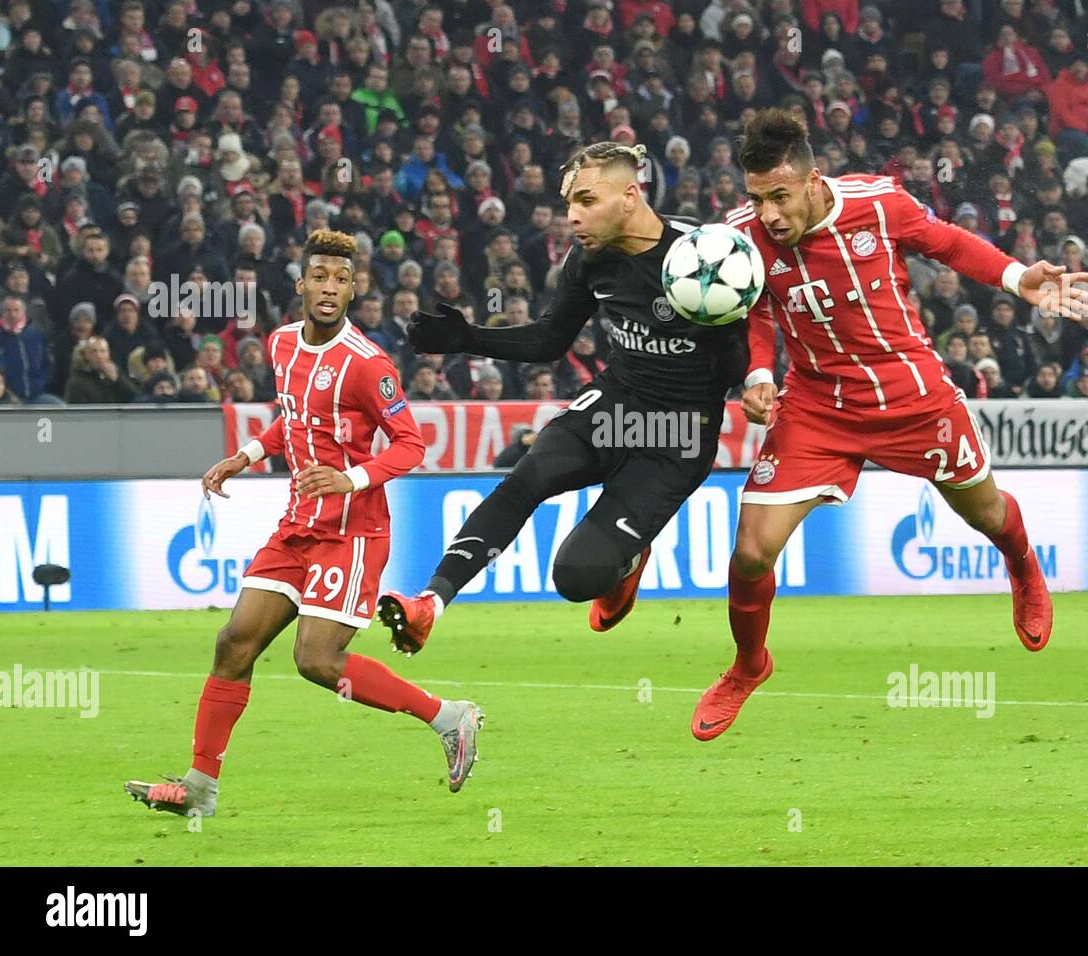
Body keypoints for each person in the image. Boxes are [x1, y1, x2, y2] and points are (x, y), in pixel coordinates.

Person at [696, 110, 1088, 740]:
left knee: (987, 513)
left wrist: (1021, 278)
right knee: (751, 552)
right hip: (817, 407)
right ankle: (750, 664)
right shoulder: (741, 235)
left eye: (779, 196)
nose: (769, 214)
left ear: (811, 181)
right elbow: (754, 313)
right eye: (756, 197)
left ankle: (1022, 565)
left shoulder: (879, 203)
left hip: (912, 395)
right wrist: (756, 377)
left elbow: (949, 243)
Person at [125, 229, 481, 820]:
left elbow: (412, 444)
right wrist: (247, 455)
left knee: (316, 660)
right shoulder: (283, 344)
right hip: (298, 524)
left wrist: (353, 479)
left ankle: (449, 716)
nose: (329, 288)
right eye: (320, 276)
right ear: (301, 283)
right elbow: (290, 421)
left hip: (354, 531)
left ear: (353, 288)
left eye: (342, 279)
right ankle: (200, 788)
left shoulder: (368, 366)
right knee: (234, 642)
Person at [375, 141, 748, 651]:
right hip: (615, 406)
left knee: (575, 577)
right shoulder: (590, 260)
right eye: (569, 203)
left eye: (587, 201)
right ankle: (430, 603)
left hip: (677, 437)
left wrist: (727, 332)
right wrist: (469, 338)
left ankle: (627, 559)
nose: (572, 217)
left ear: (631, 196)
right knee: (527, 477)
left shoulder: (704, 255)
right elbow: (551, 339)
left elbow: (734, 368)